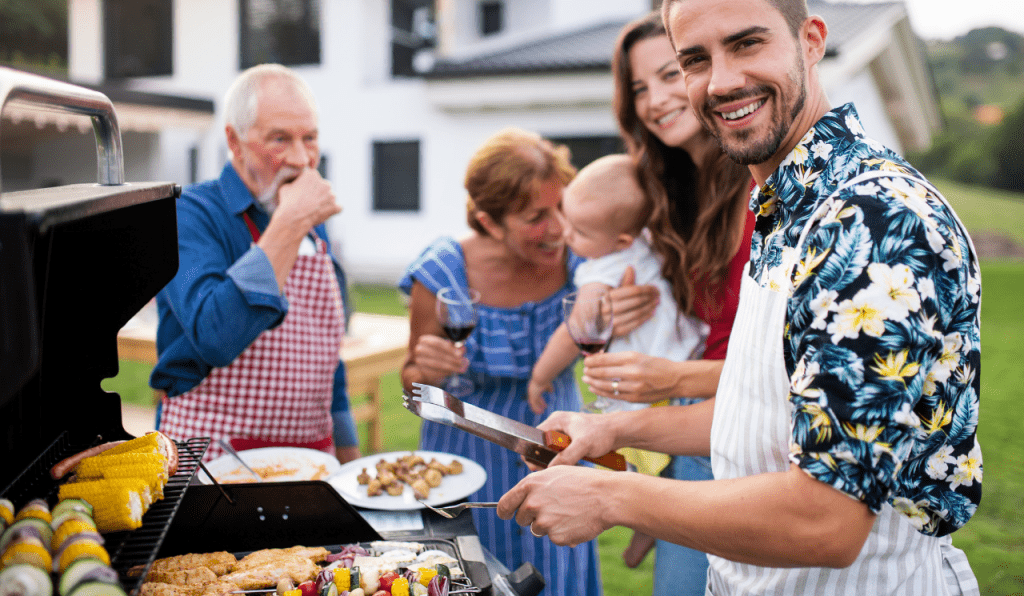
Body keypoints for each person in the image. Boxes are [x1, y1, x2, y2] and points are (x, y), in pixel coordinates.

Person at [497, 0, 982, 594]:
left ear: (811, 41)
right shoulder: (782, 207)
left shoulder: (870, 220)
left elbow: (826, 520)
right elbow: (762, 415)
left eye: (748, 43)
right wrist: (616, 432)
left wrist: (610, 493)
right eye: (695, 60)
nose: (722, 82)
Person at [399, 128, 657, 596]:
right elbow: (411, 384)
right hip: (462, 461)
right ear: (489, 221)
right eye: (537, 216)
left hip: (555, 449)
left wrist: (632, 309)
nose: (559, 227)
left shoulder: (580, 258)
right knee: (469, 582)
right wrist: (424, 370)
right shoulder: (441, 272)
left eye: (561, 206)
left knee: (557, 581)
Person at [579, 12, 757, 591]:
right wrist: (620, 306)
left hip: (744, 441)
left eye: (671, 73)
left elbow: (779, 373)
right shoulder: (670, 197)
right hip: (696, 435)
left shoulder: (762, 190)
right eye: (638, 88)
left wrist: (672, 378)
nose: (655, 100)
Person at [151, 63, 361, 465]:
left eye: (310, 138)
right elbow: (215, 335)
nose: (301, 160)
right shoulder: (189, 214)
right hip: (208, 461)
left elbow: (326, 357)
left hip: (310, 461)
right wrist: (290, 222)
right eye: (280, 139)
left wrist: (350, 457)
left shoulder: (316, 230)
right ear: (234, 140)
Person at [528, 153, 706, 467]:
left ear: (621, 240)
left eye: (580, 232)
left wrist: (540, 378)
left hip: (647, 384)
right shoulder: (647, 244)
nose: (566, 234)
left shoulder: (604, 268)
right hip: (684, 363)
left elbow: (577, 330)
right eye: (566, 219)